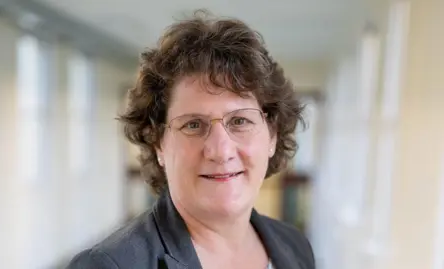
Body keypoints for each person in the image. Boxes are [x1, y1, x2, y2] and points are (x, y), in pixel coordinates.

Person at [67, 10, 315, 269]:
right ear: (158, 143)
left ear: (272, 135)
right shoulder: (110, 265)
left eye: (240, 121)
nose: (220, 151)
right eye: (193, 125)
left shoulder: (295, 247)